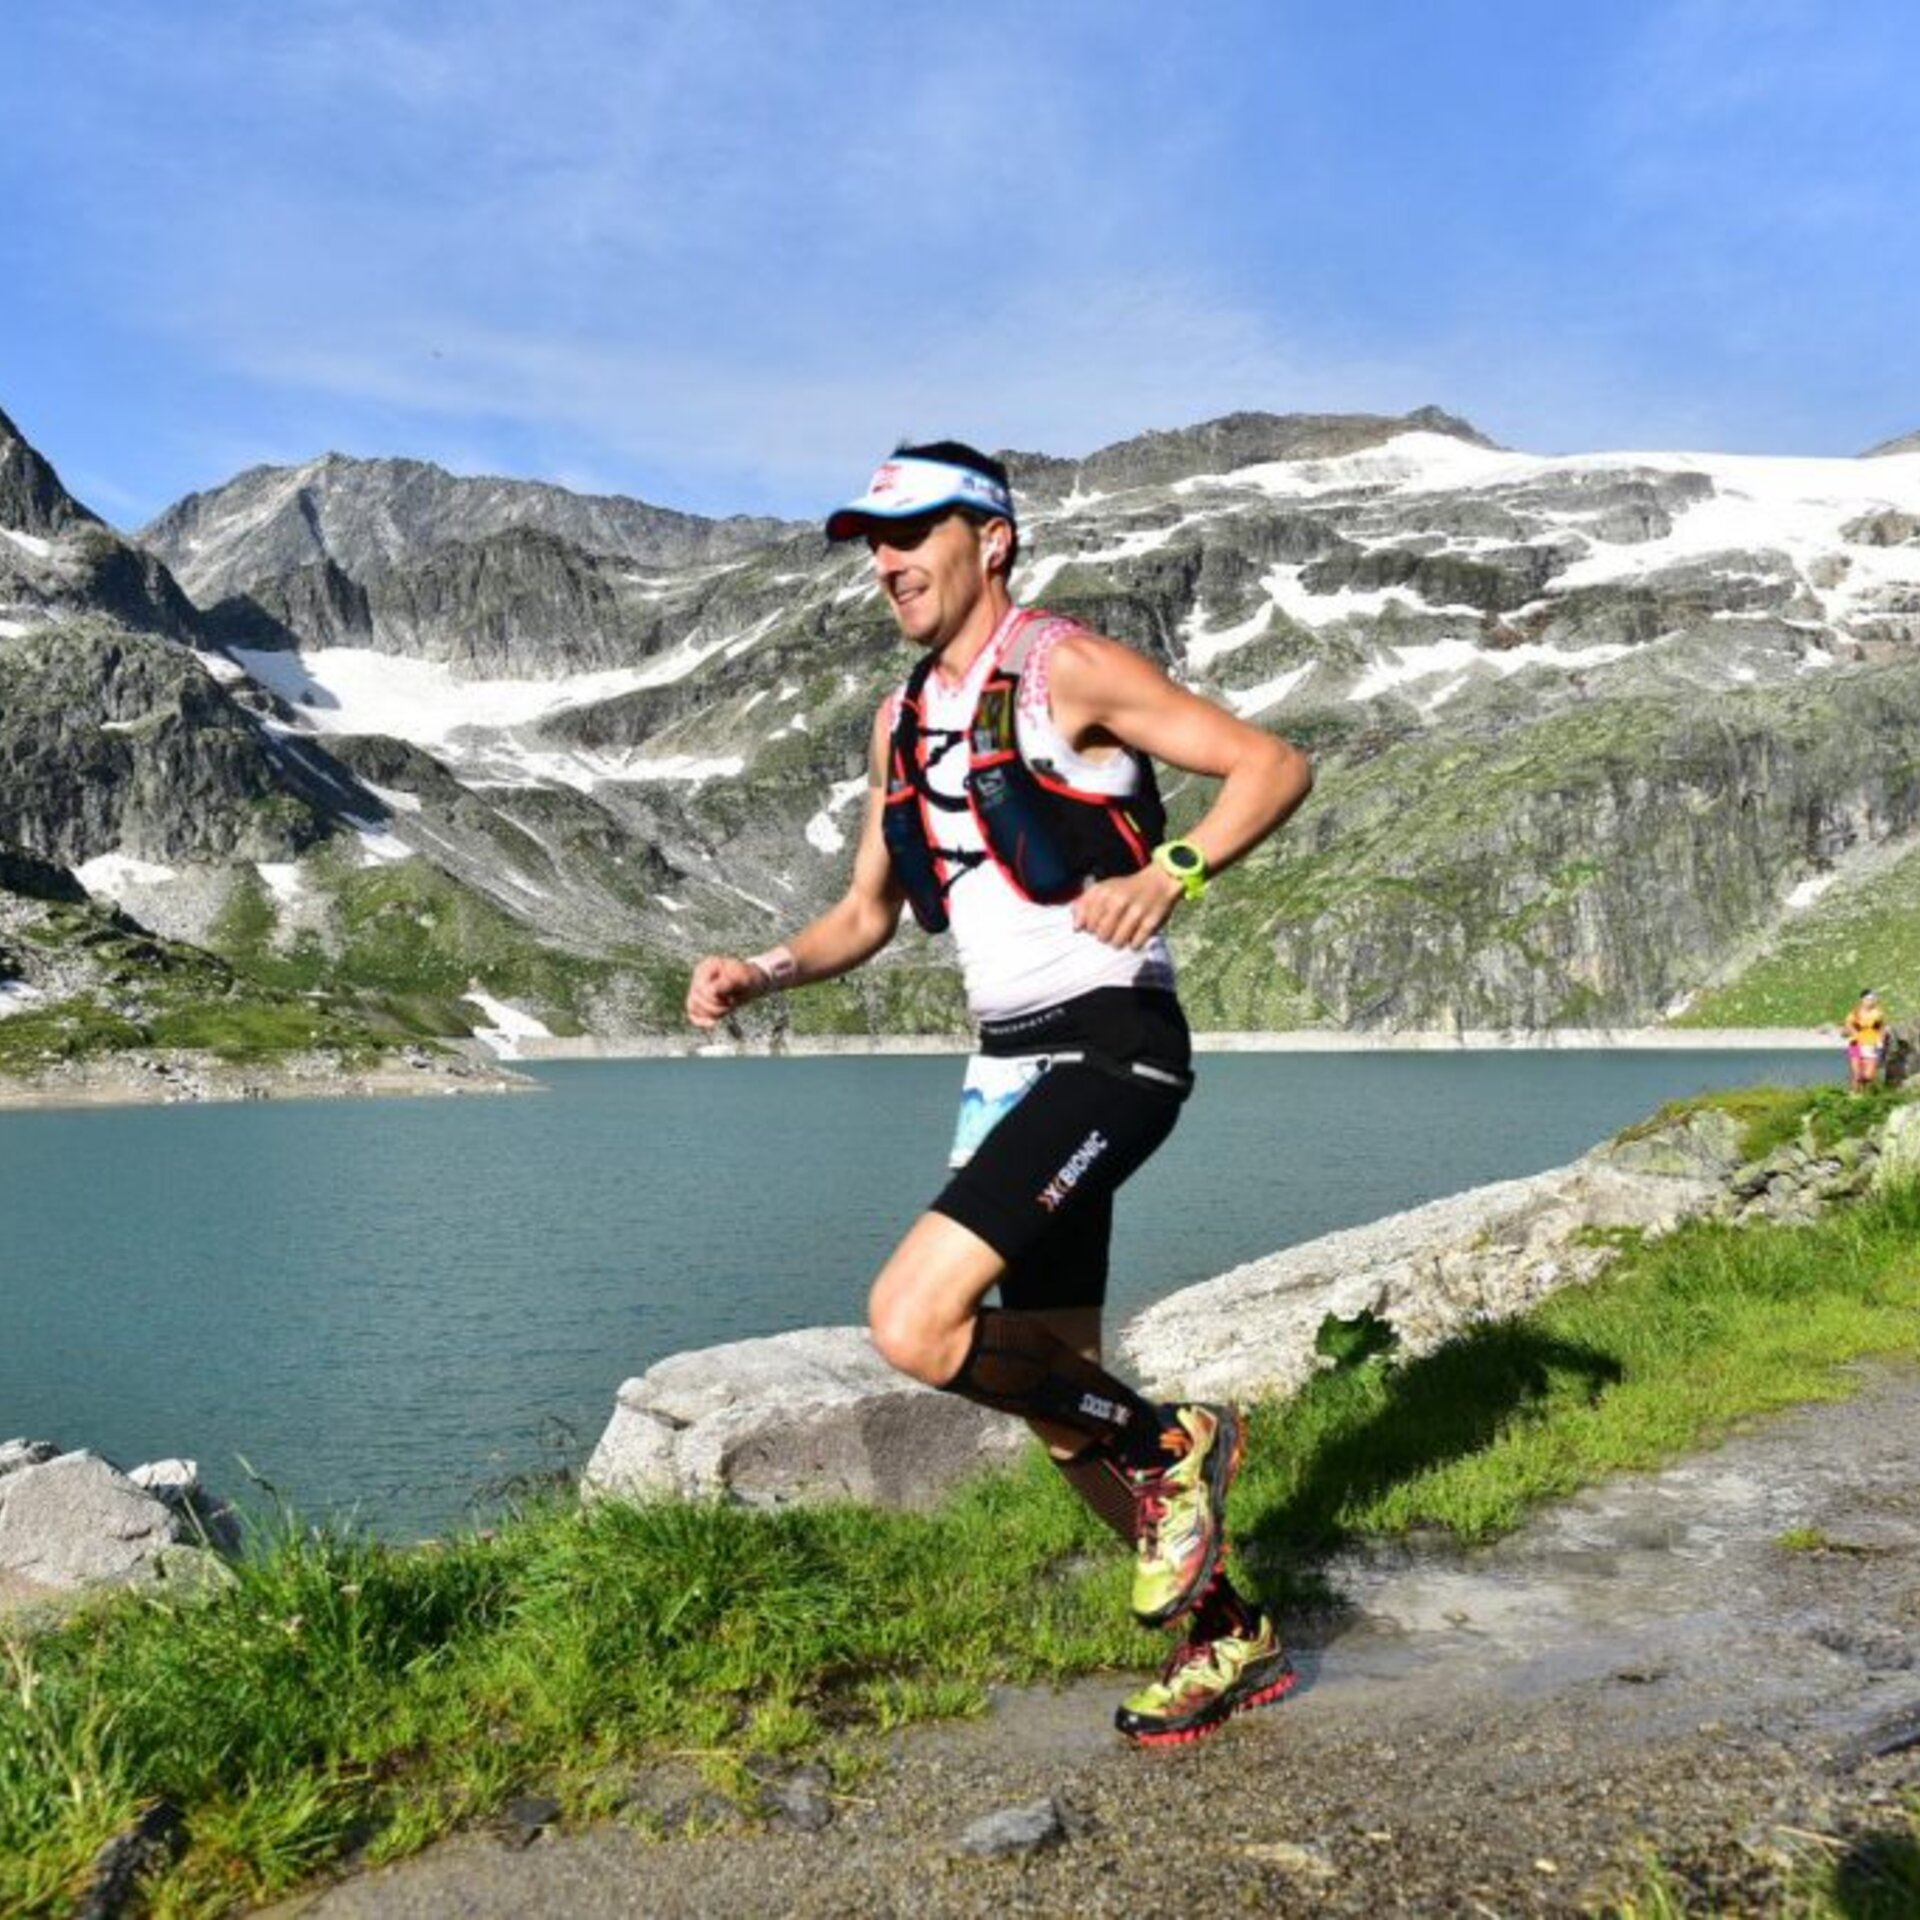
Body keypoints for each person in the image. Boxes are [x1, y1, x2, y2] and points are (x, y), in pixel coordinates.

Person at [687, 440, 1313, 1745]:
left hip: (1112, 1043)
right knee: (1055, 1397)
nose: (887, 557)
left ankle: (1178, 1438)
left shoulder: (1067, 666)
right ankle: (1229, 1638)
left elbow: (1271, 764)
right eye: (873, 536)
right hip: (1006, 1061)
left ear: (993, 540)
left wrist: (1177, 867)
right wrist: (766, 968)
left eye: (914, 530)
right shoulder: (903, 714)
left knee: (913, 1323)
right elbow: (867, 912)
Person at [1843, 989, 1889, 1092]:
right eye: (1868, 999)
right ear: (1862, 1000)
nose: (1871, 1001)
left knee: (1869, 1076)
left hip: (1872, 1046)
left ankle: (1863, 1094)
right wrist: (1849, 1032)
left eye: (1873, 999)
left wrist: (1881, 1041)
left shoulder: (1879, 1014)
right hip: (1855, 1045)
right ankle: (1853, 1095)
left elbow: (1882, 1029)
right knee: (1857, 1074)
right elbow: (1846, 1029)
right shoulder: (1854, 1013)